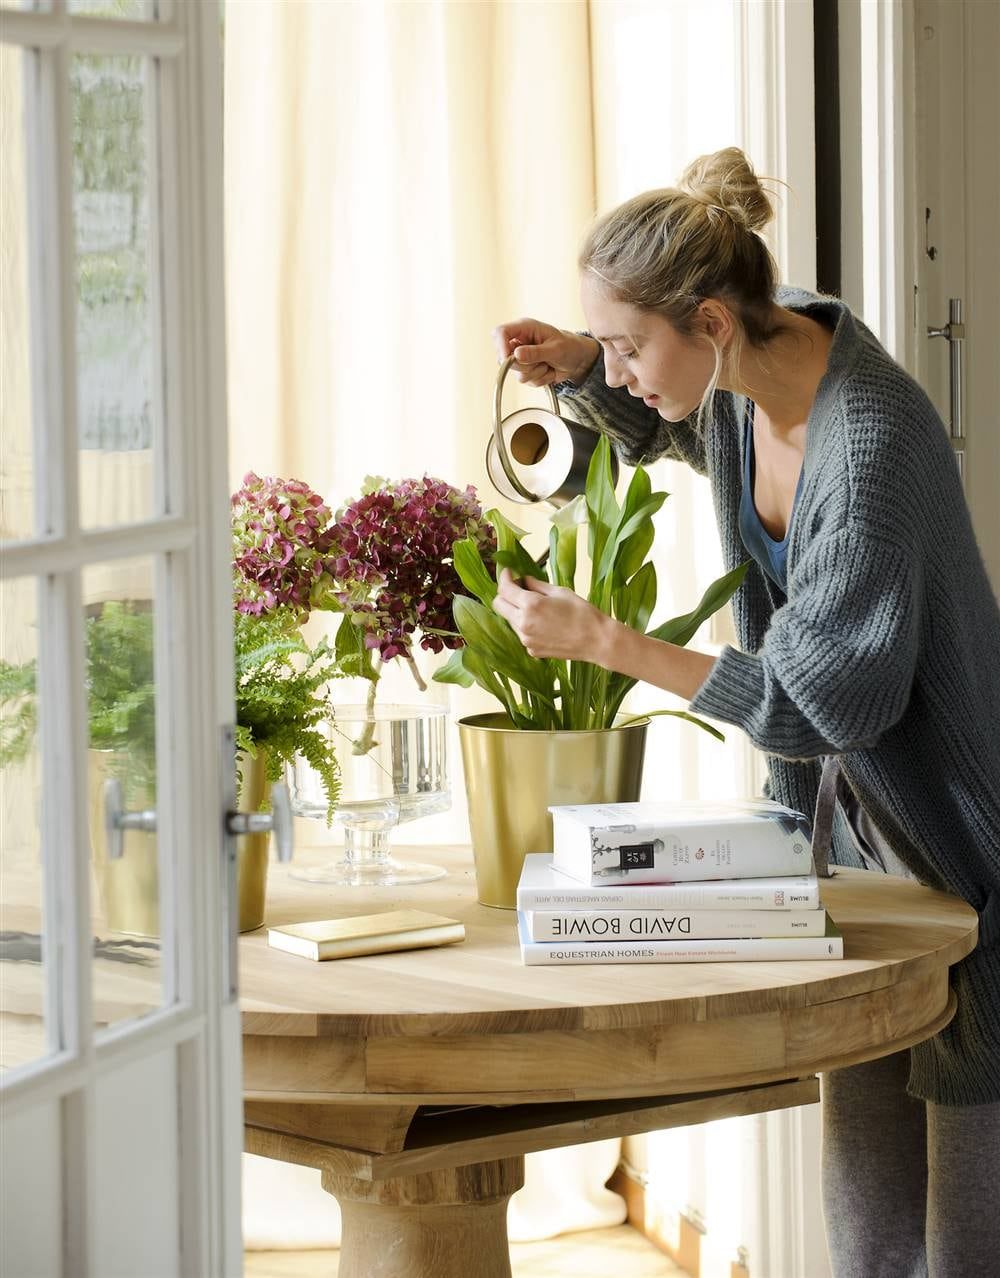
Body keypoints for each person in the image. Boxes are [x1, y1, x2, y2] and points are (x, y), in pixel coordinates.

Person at [492, 147, 1000, 1277]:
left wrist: (609, 643)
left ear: (712, 323)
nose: (618, 372)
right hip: (859, 845)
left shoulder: (869, 452)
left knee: (966, 1234)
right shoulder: (754, 371)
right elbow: (678, 422)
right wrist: (580, 361)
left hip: (968, 855)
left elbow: (815, 708)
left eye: (627, 346)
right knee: (869, 1211)